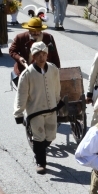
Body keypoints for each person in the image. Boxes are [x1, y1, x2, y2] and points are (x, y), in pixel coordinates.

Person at [13, 41, 63, 174]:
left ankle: (39, 149)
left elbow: (57, 88)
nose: (41, 57)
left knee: (51, 136)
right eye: (38, 55)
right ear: (33, 56)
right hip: (35, 111)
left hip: (51, 109)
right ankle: (41, 161)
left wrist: (58, 101)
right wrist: (18, 113)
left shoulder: (53, 69)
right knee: (39, 137)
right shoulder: (27, 74)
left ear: (47, 55)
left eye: (44, 54)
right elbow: (21, 94)